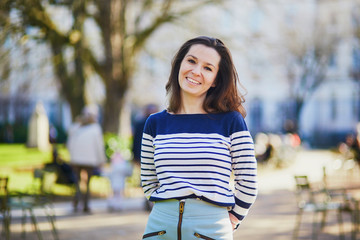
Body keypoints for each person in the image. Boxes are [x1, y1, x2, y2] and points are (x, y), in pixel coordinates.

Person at [141, 36, 258, 239]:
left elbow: (247, 182)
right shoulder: (155, 123)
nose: (196, 71)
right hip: (160, 229)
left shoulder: (231, 122)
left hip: (210, 231)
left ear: (216, 81)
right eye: (192, 61)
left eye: (208, 68)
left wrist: (232, 219)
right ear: (180, 65)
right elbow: (149, 181)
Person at [67, 105, 106, 213]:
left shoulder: (75, 127)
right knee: (87, 183)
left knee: (77, 181)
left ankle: (77, 202)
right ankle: (85, 204)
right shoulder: (95, 128)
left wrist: (72, 155)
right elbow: (99, 146)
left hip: (76, 159)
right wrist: (101, 160)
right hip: (89, 159)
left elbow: (70, 143)